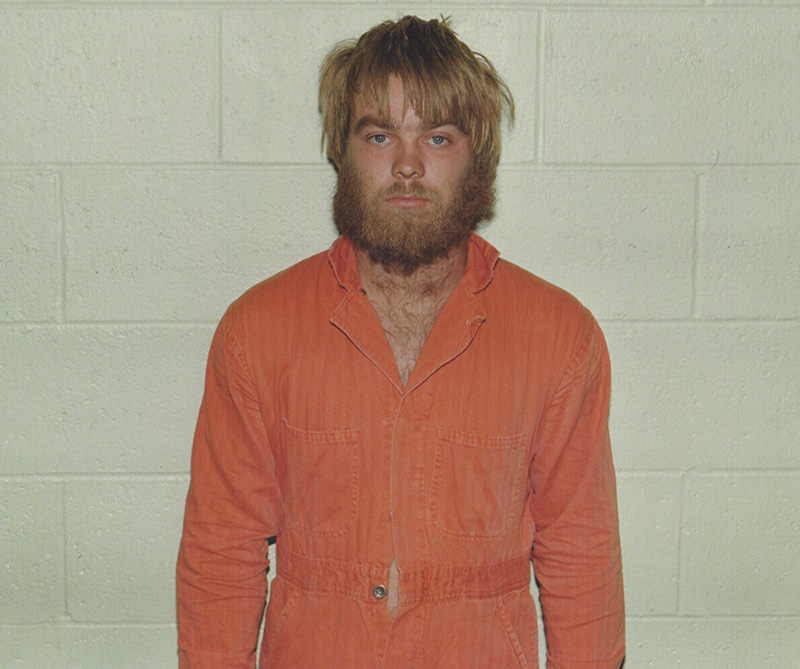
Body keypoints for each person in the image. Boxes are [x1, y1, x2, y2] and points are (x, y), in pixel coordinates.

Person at [177, 15, 624, 669]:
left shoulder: (558, 338)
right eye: (380, 135)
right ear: (344, 150)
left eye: (437, 138)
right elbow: (221, 548)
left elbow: (581, 554)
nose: (408, 164)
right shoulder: (259, 332)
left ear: (476, 157)